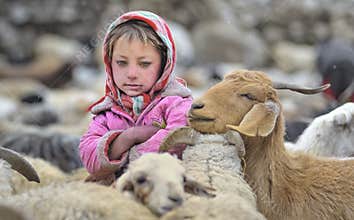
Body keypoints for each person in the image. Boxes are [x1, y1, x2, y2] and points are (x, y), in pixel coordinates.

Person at [79, 11, 192, 182]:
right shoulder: (107, 112)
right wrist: (129, 136)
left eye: (144, 64)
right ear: (109, 63)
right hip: (121, 196)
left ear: (164, 64)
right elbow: (90, 158)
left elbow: (178, 139)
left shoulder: (176, 104)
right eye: (121, 63)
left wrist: (130, 159)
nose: (131, 74)